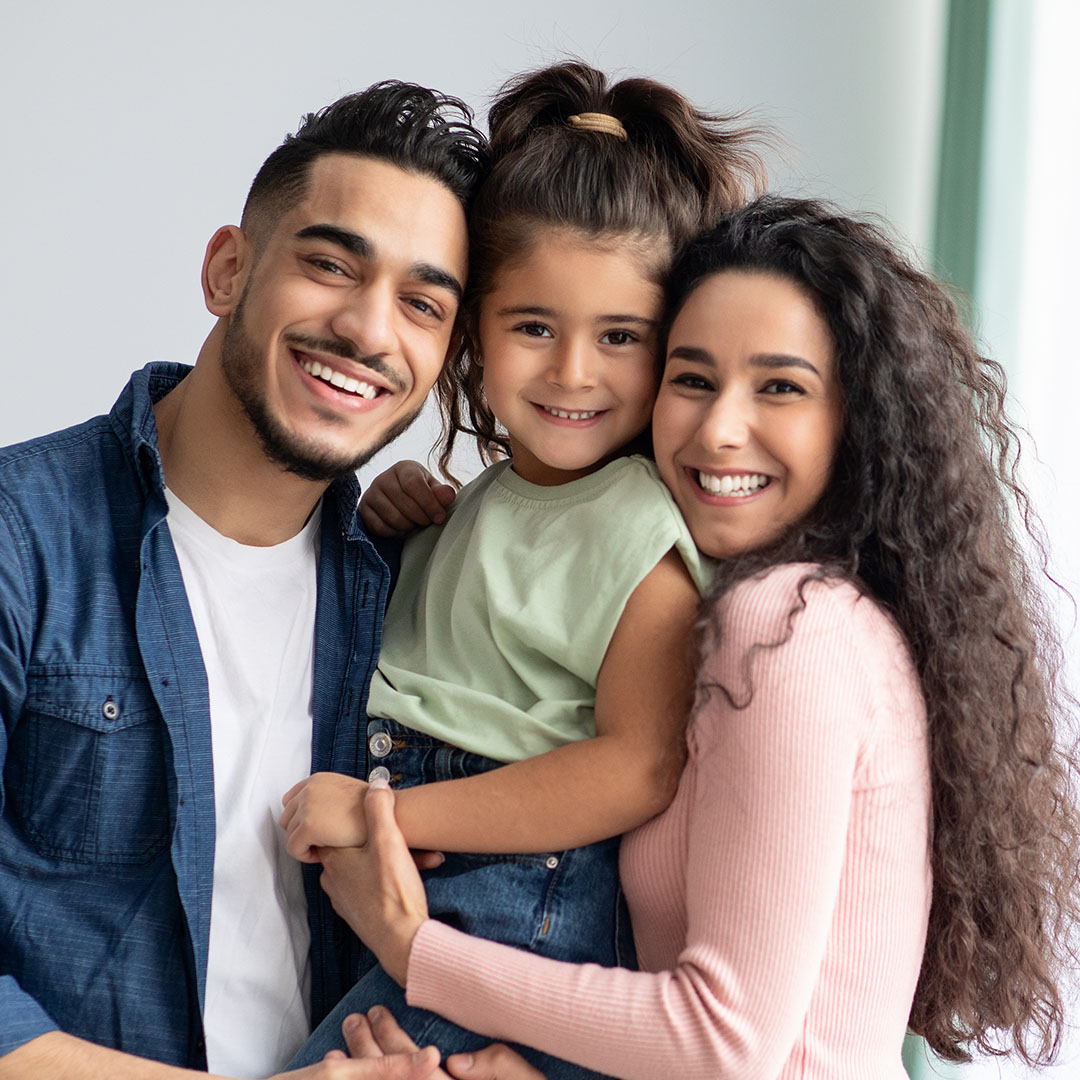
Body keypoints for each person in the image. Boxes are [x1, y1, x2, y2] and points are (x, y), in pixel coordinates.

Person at [313, 197, 1080, 1079]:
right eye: (692, 378)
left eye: (781, 387)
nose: (719, 429)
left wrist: (417, 950)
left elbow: (724, 1042)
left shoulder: (789, 627)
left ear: (857, 419)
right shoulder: (769, 610)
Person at [280, 63, 764, 1077]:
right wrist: (398, 528)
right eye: (534, 327)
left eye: (621, 338)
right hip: (440, 872)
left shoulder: (638, 525)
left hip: (510, 905)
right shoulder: (494, 499)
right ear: (471, 339)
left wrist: (391, 817)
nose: (573, 372)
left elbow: (638, 764)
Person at [0, 82, 487, 1080]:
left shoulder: (417, 586)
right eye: (329, 265)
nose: (367, 329)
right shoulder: (20, 537)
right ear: (229, 269)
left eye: (422, 304)